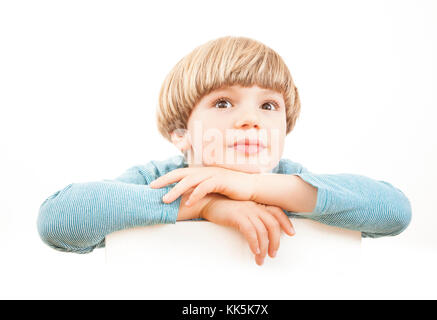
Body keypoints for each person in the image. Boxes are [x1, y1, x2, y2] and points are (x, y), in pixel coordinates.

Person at [37, 36, 412, 266]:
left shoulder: (284, 178)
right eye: (223, 103)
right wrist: (206, 203)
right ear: (182, 134)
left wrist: (251, 189)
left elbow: (395, 212)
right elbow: (58, 221)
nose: (251, 119)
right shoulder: (155, 179)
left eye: (268, 106)